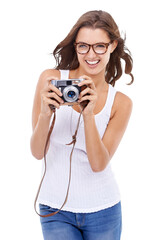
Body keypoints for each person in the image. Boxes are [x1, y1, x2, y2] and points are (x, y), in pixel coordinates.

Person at [30, 10, 134, 240]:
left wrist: (89, 115)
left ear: (113, 45)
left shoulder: (121, 103)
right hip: (55, 208)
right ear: (75, 46)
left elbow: (98, 164)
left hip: (103, 210)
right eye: (83, 46)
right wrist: (45, 115)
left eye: (99, 46)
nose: (91, 54)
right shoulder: (49, 79)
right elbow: (37, 152)